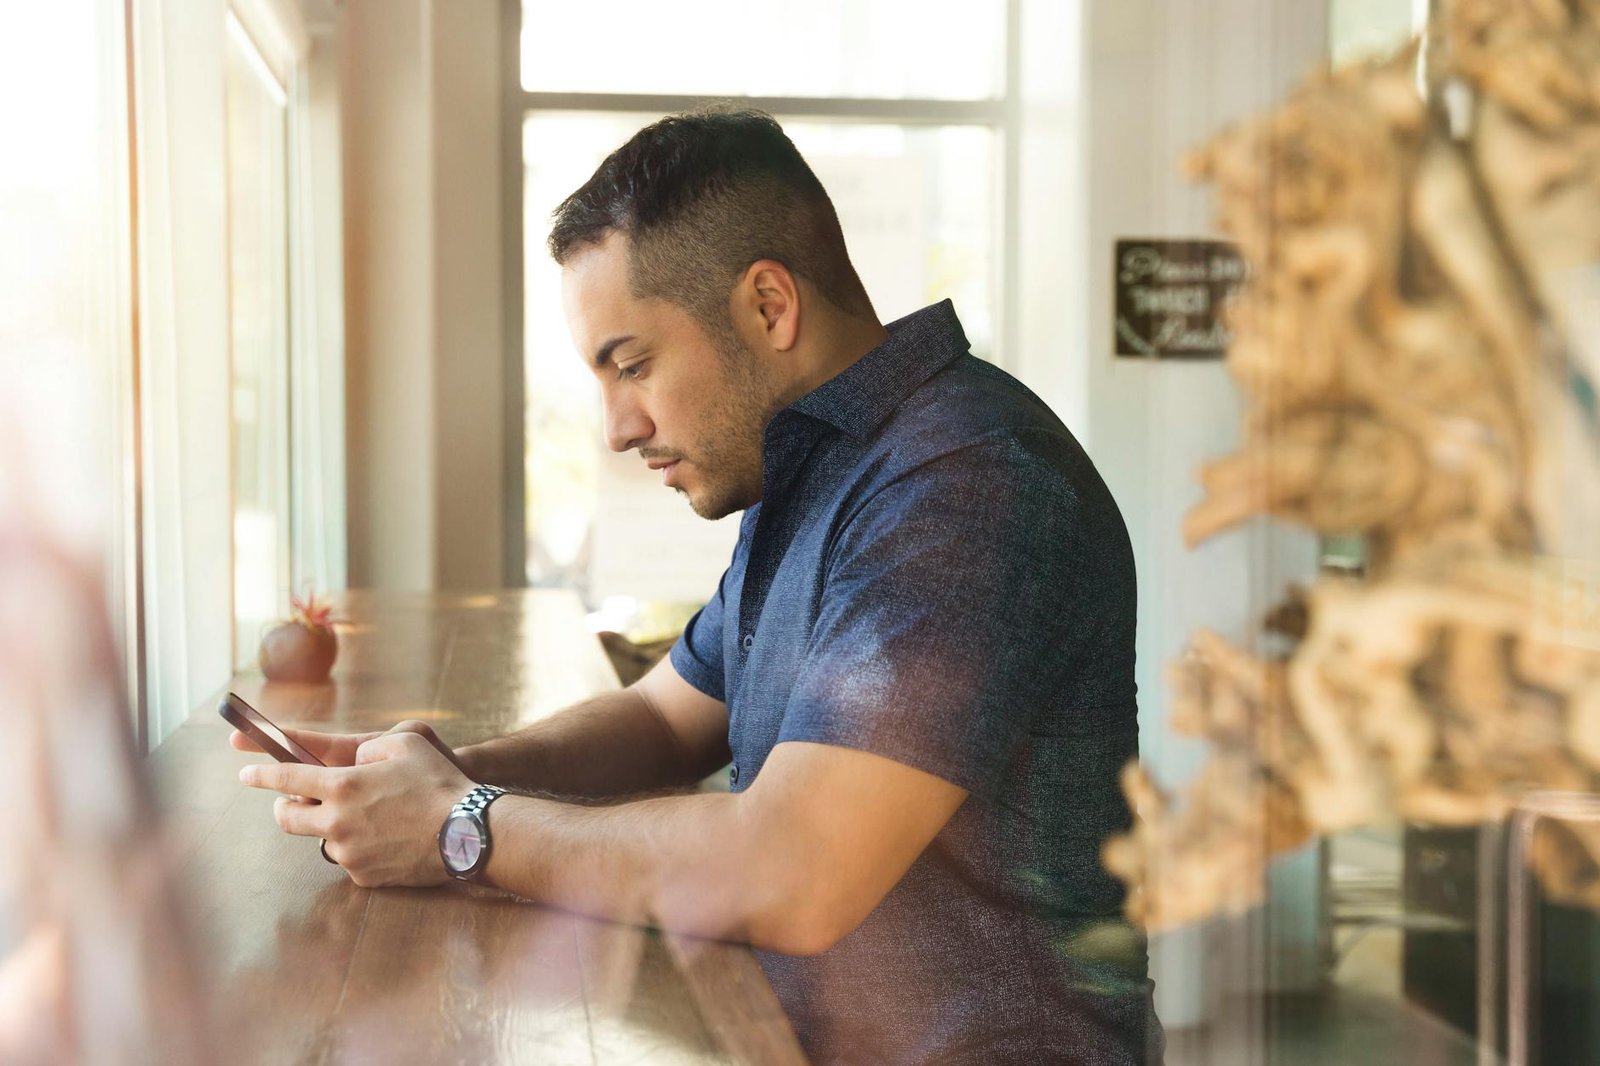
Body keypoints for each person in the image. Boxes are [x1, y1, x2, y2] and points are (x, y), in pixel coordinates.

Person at [235, 108, 1163, 1065]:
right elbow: (665, 720)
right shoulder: (811, 466)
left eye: (632, 365)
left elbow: (793, 870)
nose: (617, 429)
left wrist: (461, 829)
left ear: (769, 305)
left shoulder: (970, 484)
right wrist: (439, 776)